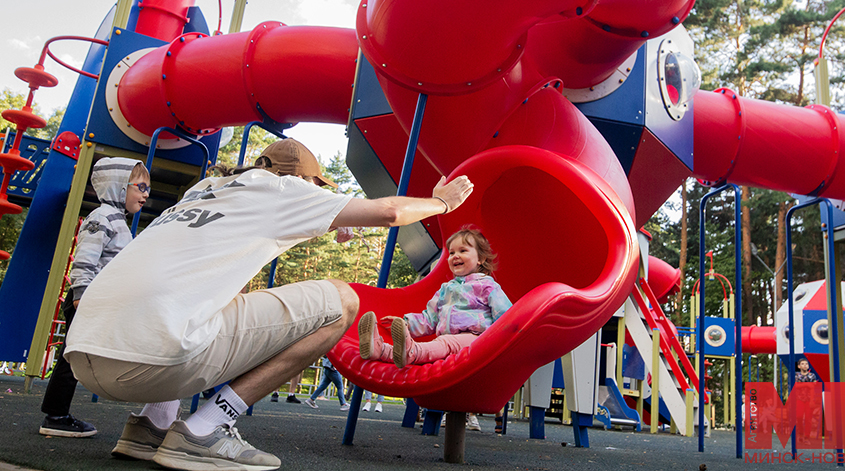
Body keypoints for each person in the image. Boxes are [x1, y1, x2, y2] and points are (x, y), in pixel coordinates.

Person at [65, 138, 473, 471]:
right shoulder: (283, 189)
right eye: (318, 187)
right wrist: (443, 202)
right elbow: (390, 211)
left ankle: (150, 425)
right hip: (151, 363)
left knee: (210, 299)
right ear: (303, 180)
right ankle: (206, 428)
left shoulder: (204, 190)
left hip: (84, 356)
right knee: (343, 302)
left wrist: (333, 217)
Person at [39, 157, 150, 438]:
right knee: (72, 355)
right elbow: (85, 258)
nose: (146, 194)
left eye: (148, 189)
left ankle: (56, 413)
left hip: (97, 299)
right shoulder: (101, 217)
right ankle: (56, 415)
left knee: (75, 354)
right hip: (86, 297)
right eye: (140, 187)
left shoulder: (118, 221)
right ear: (117, 187)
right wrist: (81, 294)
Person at [358, 227, 511, 368]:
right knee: (439, 345)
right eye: (451, 253)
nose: (455, 256)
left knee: (442, 343)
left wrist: (498, 344)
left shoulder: (487, 286)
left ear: (481, 259)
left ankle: (411, 352)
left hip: (477, 341)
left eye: (463, 250)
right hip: (448, 341)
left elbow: (506, 315)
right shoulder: (445, 290)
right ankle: (380, 349)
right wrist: (406, 323)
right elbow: (430, 320)